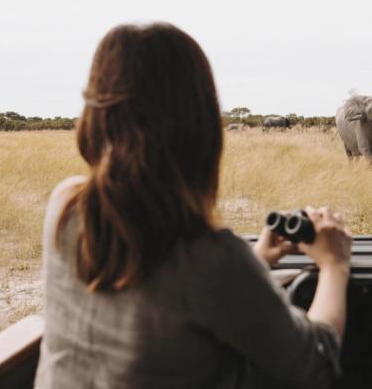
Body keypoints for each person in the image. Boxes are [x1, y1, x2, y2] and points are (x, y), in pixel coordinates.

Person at [34, 23, 352, 389]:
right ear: (201, 126)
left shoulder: (66, 205)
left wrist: (254, 260)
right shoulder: (209, 260)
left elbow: (153, 292)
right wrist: (334, 264)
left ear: (96, 116)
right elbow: (316, 366)